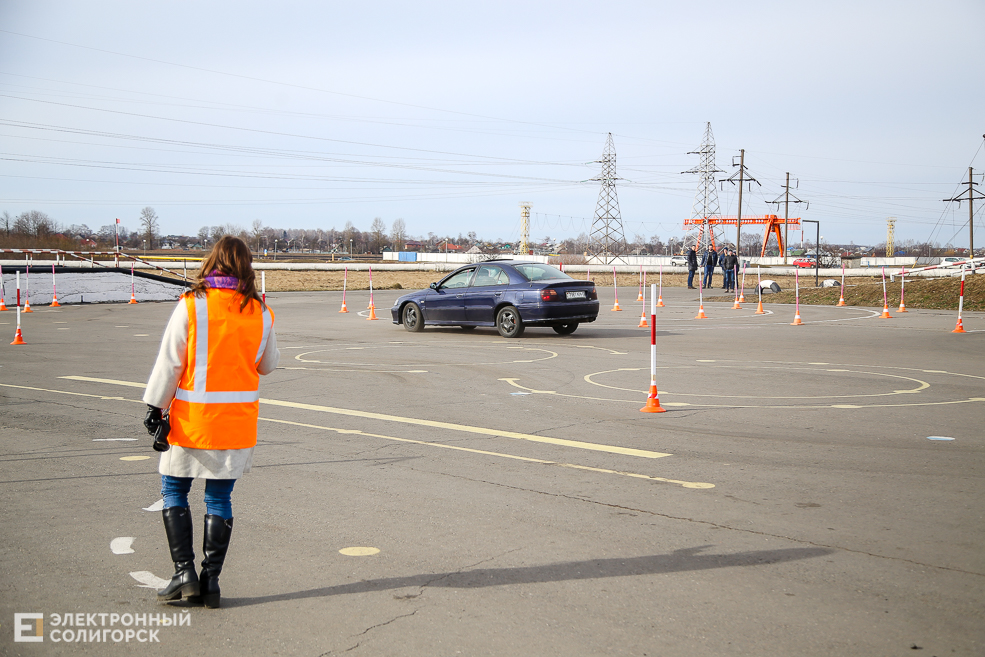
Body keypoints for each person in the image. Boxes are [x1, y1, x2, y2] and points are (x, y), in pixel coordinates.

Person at [142, 236, 280, 608]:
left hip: (192, 421)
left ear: (212, 263)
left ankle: (183, 572)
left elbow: (170, 362)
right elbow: (267, 365)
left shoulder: (192, 305)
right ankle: (211, 580)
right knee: (219, 496)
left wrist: (155, 406)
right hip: (235, 424)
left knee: (174, 490)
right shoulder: (261, 312)